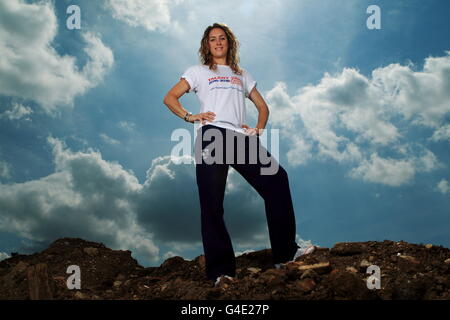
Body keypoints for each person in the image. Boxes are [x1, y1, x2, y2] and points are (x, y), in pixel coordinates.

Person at [163, 23, 314, 287]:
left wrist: (258, 129)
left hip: (239, 137)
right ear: (206, 45)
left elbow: (262, 106)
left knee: (277, 179)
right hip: (211, 135)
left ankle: (286, 253)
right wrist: (190, 117)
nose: (218, 42)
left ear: (229, 43)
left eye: (222, 38)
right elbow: (170, 97)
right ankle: (221, 272)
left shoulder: (241, 74)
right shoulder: (197, 72)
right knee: (212, 204)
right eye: (212, 39)